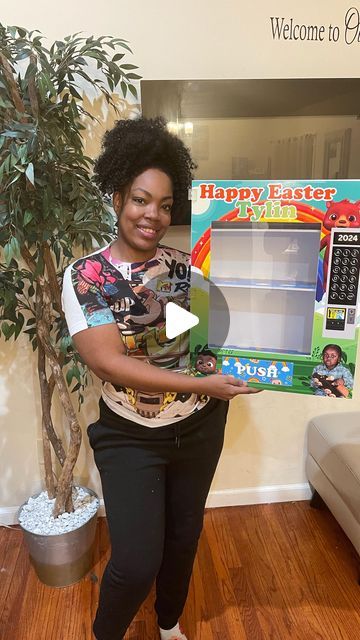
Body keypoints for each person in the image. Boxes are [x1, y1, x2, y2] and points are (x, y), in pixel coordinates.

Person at [62, 116, 260, 640]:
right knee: (135, 559)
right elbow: (108, 362)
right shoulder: (87, 275)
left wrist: (250, 365)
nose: (153, 214)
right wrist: (205, 384)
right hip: (129, 433)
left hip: (197, 428)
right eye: (140, 199)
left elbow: (203, 340)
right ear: (116, 198)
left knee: (184, 537)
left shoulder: (183, 267)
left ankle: (169, 623)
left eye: (165, 204)